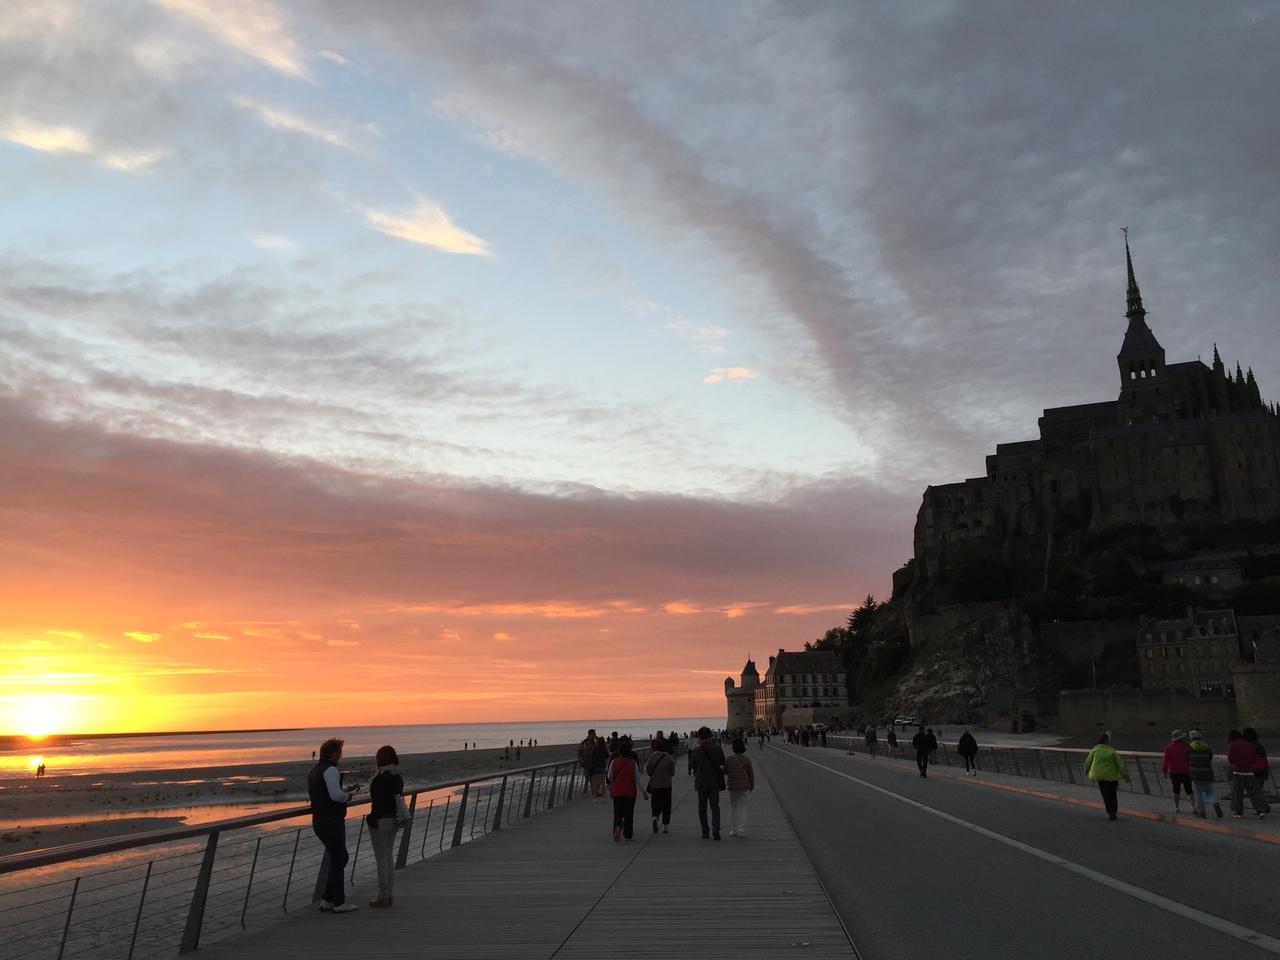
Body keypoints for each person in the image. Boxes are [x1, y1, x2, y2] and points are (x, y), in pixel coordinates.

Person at [308, 737, 358, 912]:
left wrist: (345, 789)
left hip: (319, 821)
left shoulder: (316, 770)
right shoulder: (331, 770)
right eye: (339, 752)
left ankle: (327, 899)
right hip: (332, 821)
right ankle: (339, 902)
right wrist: (348, 797)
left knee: (339, 858)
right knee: (339, 858)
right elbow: (335, 796)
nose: (341, 756)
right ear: (333, 754)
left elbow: (326, 790)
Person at [366, 745, 404, 908]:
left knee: (381, 858)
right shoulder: (397, 777)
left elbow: (377, 803)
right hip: (394, 820)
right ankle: (389, 893)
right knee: (388, 856)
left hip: (380, 821)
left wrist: (371, 819)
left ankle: (383, 894)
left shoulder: (380, 778)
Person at [1083, 731, 1129, 821]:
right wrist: (1126, 777)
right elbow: (1121, 765)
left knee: (1105, 795)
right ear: (1107, 741)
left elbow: (1087, 762)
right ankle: (1114, 812)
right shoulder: (1112, 751)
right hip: (1112, 777)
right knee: (1113, 795)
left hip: (1101, 777)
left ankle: (1110, 812)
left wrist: (1086, 771)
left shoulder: (1095, 750)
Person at [690, 726, 726, 840]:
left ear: (699, 737)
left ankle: (705, 831)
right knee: (715, 807)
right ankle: (716, 830)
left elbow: (692, 765)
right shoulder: (717, 749)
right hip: (714, 782)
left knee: (702, 808)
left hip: (701, 783)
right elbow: (723, 762)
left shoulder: (696, 751)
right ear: (710, 736)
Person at [607, 736, 646, 841]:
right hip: (630, 792)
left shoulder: (614, 761)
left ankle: (617, 827)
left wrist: (613, 784)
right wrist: (643, 791)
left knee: (617, 812)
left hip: (617, 791)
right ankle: (628, 834)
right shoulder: (633, 763)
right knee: (629, 813)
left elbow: (609, 776)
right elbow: (637, 778)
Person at [1227, 729, 1270, 819]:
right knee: (1253, 792)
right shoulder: (1249, 745)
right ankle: (1259, 810)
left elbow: (1231, 759)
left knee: (1238, 793)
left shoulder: (1233, 745)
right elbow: (1255, 759)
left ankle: (1239, 812)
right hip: (1249, 772)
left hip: (1238, 772)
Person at [1186, 729, 1223, 819]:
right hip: (1207, 773)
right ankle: (1214, 803)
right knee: (1210, 792)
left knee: (1198, 794)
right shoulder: (1206, 747)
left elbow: (1186, 758)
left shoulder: (1189, 748)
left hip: (1195, 774)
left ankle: (1201, 812)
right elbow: (1210, 757)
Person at [724, 738, 756, 838]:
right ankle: (741, 830)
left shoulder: (729, 759)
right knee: (743, 808)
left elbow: (725, 771)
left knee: (733, 807)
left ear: (734, 748)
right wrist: (751, 785)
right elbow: (751, 774)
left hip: (733, 786)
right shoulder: (747, 760)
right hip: (744, 786)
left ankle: (734, 830)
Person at [646, 737, 676, 833]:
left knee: (655, 803)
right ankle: (665, 826)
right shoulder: (669, 758)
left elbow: (648, 771)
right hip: (666, 785)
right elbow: (672, 773)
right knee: (666, 805)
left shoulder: (651, 758)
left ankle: (655, 817)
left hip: (655, 786)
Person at [1161, 730, 1192, 813]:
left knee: (1176, 790)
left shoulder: (1169, 747)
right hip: (1186, 771)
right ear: (1181, 738)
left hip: (1174, 772)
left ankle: (1177, 807)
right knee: (1189, 790)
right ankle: (1193, 807)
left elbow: (1166, 761)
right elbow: (1190, 758)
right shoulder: (1186, 746)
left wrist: (1164, 771)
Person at [1243, 727, 1272, 798]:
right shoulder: (1260, 746)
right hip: (1263, 772)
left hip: (1254, 773)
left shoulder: (1248, 747)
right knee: (1258, 791)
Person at [590, 736, 609, 802]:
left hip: (596, 766)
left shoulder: (595, 748)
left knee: (595, 782)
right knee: (603, 782)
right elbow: (607, 756)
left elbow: (592, 756)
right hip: (602, 766)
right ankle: (603, 797)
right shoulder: (604, 748)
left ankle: (595, 798)